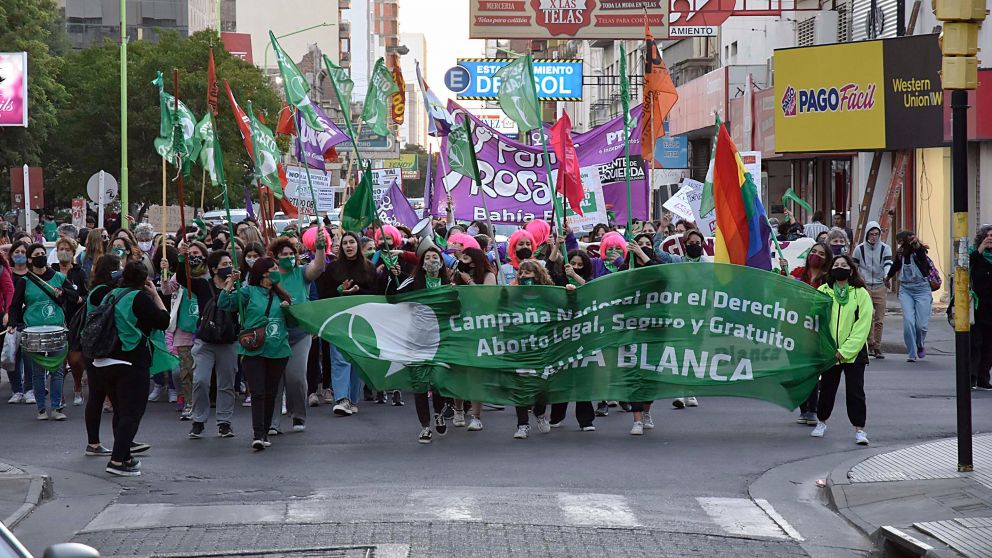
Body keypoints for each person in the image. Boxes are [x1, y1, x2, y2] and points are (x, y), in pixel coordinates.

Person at [92, 260, 172, 475]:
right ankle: (117, 461)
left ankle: (125, 456)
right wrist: (155, 296)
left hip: (103, 360)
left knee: (120, 411)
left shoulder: (111, 294)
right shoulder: (139, 298)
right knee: (131, 413)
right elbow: (164, 321)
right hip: (130, 361)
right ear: (145, 280)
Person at [220, 259, 293, 451]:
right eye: (274, 269)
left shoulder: (281, 294)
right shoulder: (248, 292)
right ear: (263, 274)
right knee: (258, 392)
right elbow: (224, 303)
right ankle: (258, 434)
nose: (278, 272)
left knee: (271, 392)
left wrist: (288, 309)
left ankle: (266, 430)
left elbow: (293, 323)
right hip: (254, 350)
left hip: (278, 350)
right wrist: (230, 283)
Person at [8, 243, 79, 420]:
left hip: (57, 328)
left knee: (57, 370)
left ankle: (56, 408)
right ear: (30, 259)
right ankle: (41, 409)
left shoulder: (59, 278)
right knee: (38, 372)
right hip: (33, 331)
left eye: (43, 253)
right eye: (37, 254)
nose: (41, 256)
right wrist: (12, 322)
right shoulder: (25, 281)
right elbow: (15, 305)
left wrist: (62, 292)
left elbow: (75, 298)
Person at [266, 233, 326, 435]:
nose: (289, 257)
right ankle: (272, 422)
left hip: (300, 333)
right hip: (275, 333)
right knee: (275, 380)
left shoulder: (301, 273)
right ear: (275, 257)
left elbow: (317, 267)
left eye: (292, 253)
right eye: (285, 254)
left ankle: (298, 415)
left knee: (296, 378)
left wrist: (320, 248)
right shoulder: (268, 276)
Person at [316, 232, 380, 417]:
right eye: (345, 243)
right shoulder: (333, 269)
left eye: (352, 242)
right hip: (339, 319)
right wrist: (339, 290)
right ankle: (341, 398)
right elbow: (323, 294)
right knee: (339, 358)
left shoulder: (369, 268)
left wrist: (359, 291)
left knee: (356, 358)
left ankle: (352, 399)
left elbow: (376, 293)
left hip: (362, 321)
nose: (348, 246)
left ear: (358, 245)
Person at [811, 254, 872, 446]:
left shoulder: (860, 294)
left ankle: (859, 430)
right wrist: (827, 347)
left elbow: (863, 325)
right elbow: (814, 318)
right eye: (836, 265)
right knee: (827, 389)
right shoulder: (823, 291)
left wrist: (845, 351)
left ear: (851, 270)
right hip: (829, 351)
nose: (840, 267)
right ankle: (821, 422)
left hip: (854, 353)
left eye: (843, 265)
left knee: (855, 391)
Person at [181, 250, 241, 440]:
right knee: (201, 380)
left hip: (228, 341)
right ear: (214, 269)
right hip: (205, 341)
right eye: (224, 265)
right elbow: (184, 278)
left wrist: (234, 285)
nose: (228, 267)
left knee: (226, 383)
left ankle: (224, 422)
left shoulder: (238, 289)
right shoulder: (203, 286)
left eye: (230, 263)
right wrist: (182, 258)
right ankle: (198, 420)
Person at [397, 244, 452, 443]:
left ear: (441, 261)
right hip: (417, 340)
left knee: (437, 381)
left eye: (434, 257)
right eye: (427, 258)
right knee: (420, 383)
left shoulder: (448, 283)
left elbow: (457, 309)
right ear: (421, 263)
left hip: (441, 341)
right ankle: (425, 426)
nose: (431, 261)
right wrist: (398, 277)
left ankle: (439, 412)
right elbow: (394, 296)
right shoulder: (413, 281)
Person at [511, 260, 556, 439]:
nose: (523, 276)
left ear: (538, 275)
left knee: (543, 384)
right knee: (521, 385)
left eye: (527, 273)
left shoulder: (549, 295)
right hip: (521, 346)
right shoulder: (514, 295)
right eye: (521, 273)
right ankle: (522, 424)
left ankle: (539, 412)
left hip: (543, 347)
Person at [790, 242, 833, 425]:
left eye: (821, 254)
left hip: (816, 331)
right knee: (798, 370)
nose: (816, 255)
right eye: (813, 252)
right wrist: (787, 281)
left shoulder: (828, 279)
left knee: (812, 370)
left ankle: (812, 410)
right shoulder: (798, 273)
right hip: (795, 329)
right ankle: (803, 408)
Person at [887, 231, 933, 362]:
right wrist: (888, 278)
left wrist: (917, 245)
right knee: (908, 322)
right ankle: (912, 352)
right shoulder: (901, 253)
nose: (900, 244)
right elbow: (895, 265)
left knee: (921, 325)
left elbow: (922, 258)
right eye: (898, 242)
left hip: (922, 289)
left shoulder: (919, 250)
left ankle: (920, 344)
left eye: (901, 241)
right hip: (906, 289)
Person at [852, 222, 893, 359]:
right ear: (867, 234)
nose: (874, 237)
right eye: (871, 234)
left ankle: (877, 346)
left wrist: (887, 276)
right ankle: (869, 344)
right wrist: (858, 281)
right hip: (865, 286)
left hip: (880, 286)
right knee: (867, 317)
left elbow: (888, 263)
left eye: (876, 234)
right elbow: (854, 267)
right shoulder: (859, 249)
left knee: (879, 319)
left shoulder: (885, 248)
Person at [55, 237, 88, 406]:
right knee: (59, 362)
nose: (64, 252)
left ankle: (77, 387)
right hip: (56, 321)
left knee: (75, 360)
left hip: (76, 322)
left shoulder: (79, 272)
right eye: (61, 249)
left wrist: (80, 298)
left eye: (68, 249)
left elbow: (86, 295)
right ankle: (58, 395)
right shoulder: (51, 271)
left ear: (73, 252)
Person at [7, 240, 33, 405]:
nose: (20, 255)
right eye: (16, 252)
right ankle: (17, 390)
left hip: (30, 320)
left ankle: (30, 389)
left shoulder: (33, 276)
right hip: (12, 320)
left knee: (29, 356)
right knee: (12, 355)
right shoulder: (7, 275)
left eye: (23, 252)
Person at [969, 225, 992, 390]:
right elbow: (965, 267)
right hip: (976, 306)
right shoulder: (974, 254)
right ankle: (972, 377)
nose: (990, 239)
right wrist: (980, 249)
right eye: (988, 236)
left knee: (989, 346)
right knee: (975, 343)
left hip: (991, 309)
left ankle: (984, 378)